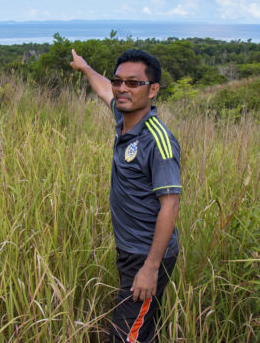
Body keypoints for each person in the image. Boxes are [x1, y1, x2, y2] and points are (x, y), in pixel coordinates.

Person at [70, 48, 181, 343]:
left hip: (147, 256)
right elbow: (103, 88)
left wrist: (150, 268)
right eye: (119, 81)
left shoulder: (158, 140)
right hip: (130, 251)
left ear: (153, 90)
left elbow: (170, 206)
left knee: (124, 336)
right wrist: (85, 67)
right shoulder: (124, 117)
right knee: (141, 331)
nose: (122, 89)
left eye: (133, 83)